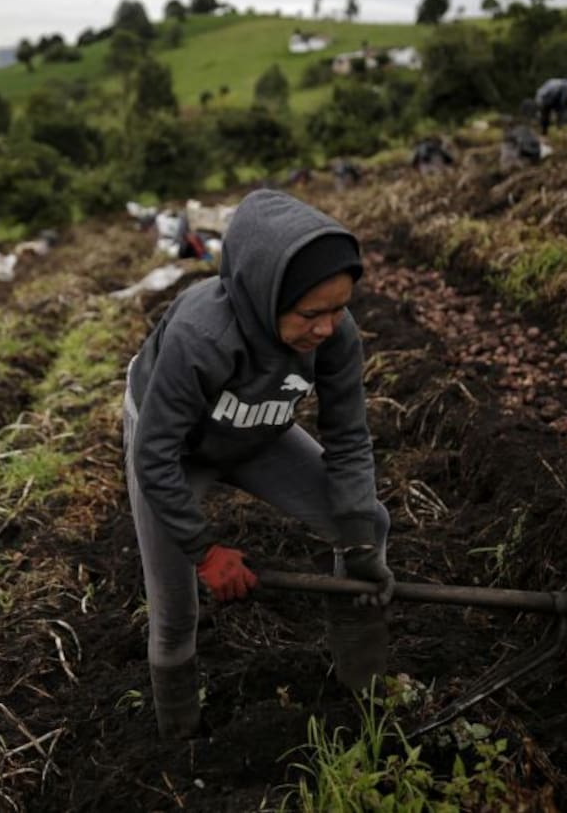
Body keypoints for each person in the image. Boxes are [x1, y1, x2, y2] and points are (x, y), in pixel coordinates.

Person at [122, 188, 394, 739]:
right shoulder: (202, 336)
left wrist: (360, 545)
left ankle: (362, 685)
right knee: (174, 609)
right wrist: (204, 550)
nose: (326, 327)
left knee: (368, 523)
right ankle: (179, 740)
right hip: (176, 449)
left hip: (258, 431)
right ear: (263, 296)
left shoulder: (337, 337)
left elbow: (348, 438)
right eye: (310, 313)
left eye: (339, 308)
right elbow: (153, 456)